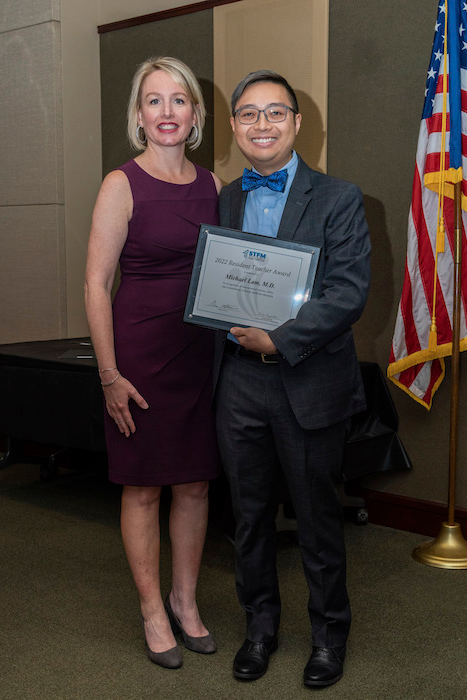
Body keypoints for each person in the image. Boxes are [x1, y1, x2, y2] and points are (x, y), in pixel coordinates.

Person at [213, 70, 371, 688]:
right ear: (233, 126)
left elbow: (348, 294)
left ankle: (330, 637)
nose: (262, 125)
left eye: (275, 113)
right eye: (249, 114)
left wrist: (279, 336)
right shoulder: (225, 197)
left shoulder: (339, 197)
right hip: (240, 385)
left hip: (309, 381)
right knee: (248, 517)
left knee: (316, 517)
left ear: (298, 123)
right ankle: (259, 628)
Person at [84, 56, 222, 670]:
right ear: (138, 115)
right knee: (142, 487)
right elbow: (95, 283)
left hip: (200, 356)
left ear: (194, 113)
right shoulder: (121, 183)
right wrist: (109, 375)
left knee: (193, 483)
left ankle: (186, 602)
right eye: (154, 101)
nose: (167, 113)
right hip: (138, 355)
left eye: (179, 100)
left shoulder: (214, 185)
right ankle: (151, 611)